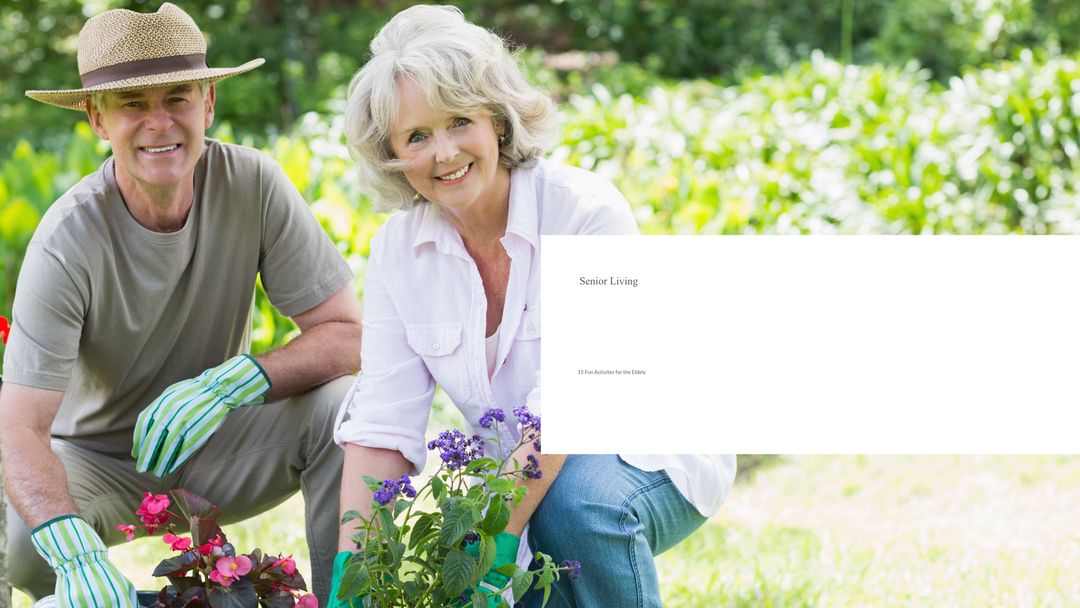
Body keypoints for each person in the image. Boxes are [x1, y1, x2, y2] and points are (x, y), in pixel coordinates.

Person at [330, 5, 736, 607]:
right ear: (391, 152)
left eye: (459, 121)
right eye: (417, 136)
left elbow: (574, 400)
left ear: (496, 119)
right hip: (526, 476)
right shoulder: (398, 248)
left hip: (648, 453)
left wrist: (498, 535)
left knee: (576, 508)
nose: (443, 154)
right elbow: (383, 422)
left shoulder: (586, 212)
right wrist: (353, 569)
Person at [1, 4, 362, 606]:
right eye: (132, 104)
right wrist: (68, 545)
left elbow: (348, 334)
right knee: (22, 536)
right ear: (96, 118)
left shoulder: (254, 183)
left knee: (345, 413)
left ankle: (349, 598)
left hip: (222, 443)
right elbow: (19, 426)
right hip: (99, 464)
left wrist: (236, 381)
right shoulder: (67, 239)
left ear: (209, 103)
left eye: (177, 97)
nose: (159, 123)